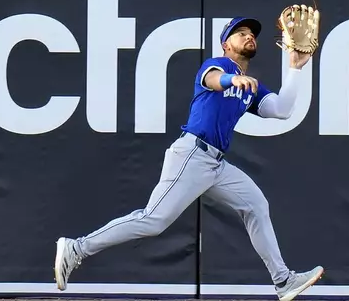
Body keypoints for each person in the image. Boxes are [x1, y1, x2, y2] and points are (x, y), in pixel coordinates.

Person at [54, 16, 324, 301]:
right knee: (153, 220)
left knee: (256, 205)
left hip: (216, 165)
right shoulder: (217, 66)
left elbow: (281, 109)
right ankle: (77, 248)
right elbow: (213, 79)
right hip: (193, 155)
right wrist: (232, 78)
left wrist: (295, 68)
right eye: (240, 33)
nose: (248, 36)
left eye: (251, 34)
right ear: (225, 44)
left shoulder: (250, 88)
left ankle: (283, 281)